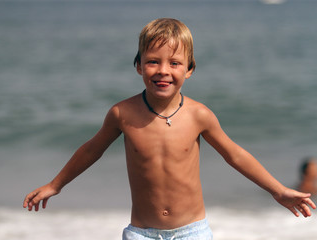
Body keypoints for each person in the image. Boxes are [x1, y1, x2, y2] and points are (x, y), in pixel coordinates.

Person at [23, 18, 315, 240]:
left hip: (192, 232)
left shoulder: (199, 115)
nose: (163, 70)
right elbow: (91, 149)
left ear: (189, 70)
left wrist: (277, 190)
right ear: (139, 66)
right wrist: (55, 184)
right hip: (141, 233)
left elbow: (234, 155)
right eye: (153, 61)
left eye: (175, 63)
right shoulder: (122, 113)